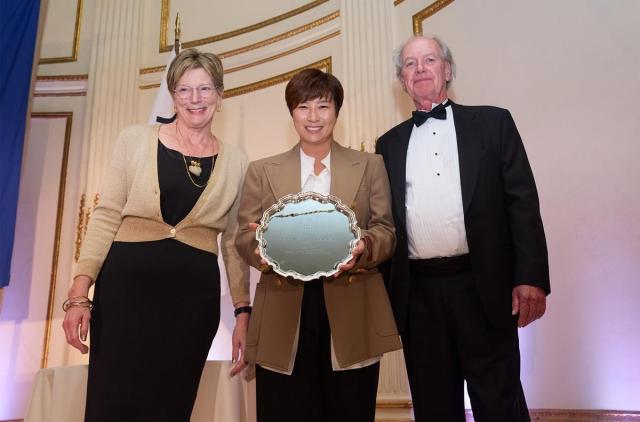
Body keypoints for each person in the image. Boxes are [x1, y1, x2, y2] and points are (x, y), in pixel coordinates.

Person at [61, 48, 250, 421]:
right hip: (124, 299)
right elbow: (105, 215)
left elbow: (232, 242)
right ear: (173, 95)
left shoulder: (237, 162)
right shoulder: (134, 140)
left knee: (172, 406)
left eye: (205, 89)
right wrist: (79, 293)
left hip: (192, 306)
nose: (195, 99)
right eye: (184, 90)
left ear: (220, 95)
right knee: (112, 404)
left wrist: (243, 311)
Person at [375, 36, 550, 421]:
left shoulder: (493, 123)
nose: (419, 69)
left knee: (499, 402)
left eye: (429, 59)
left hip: (484, 286)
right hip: (418, 297)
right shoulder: (387, 144)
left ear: (447, 70)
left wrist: (531, 277)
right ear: (401, 80)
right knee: (433, 405)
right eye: (409, 64)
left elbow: (522, 202)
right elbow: (384, 223)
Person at [234, 68, 402, 422]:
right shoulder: (262, 170)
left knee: (349, 409)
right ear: (291, 112)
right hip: (283, 311)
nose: (313, 117)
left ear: (336, 111)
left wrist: (364, 246)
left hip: (351, 307)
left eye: (323, 106)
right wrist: (263, 249)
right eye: (303, 107)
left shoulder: (370, 165)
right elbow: (243, 236)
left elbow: (386, 231)